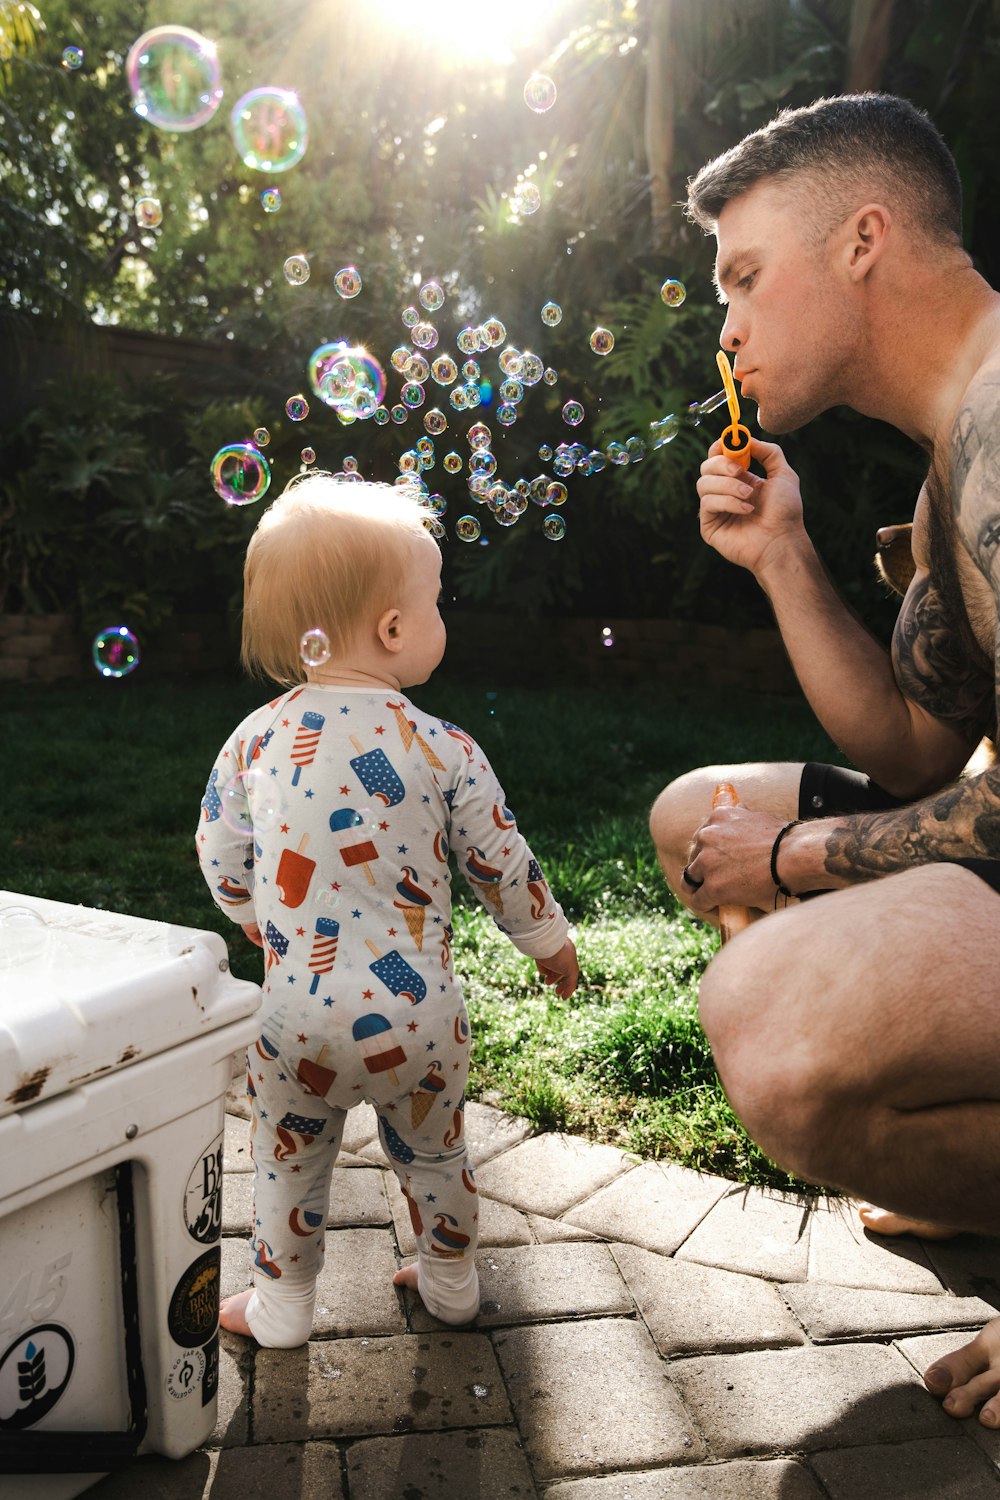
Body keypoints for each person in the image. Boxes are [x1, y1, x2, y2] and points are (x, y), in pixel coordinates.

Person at [648, 92, 1000, 1427]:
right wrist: (783, 558)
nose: (723, 322)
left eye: (744, 276)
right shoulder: (951, 447)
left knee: (778, 1026)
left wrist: (793, 859)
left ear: (864, 238)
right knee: (700, 812)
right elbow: (913, 745)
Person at [197, 473, 578, 1346]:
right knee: (437, 1155)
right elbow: (500, 862)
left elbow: (220, 852)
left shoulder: (254, 738)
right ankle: (449, 1282)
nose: (444, 619)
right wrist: (547, 941)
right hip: (421, 1024)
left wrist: (256, 918)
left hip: (297, 1021)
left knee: (289, 1163)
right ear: (396, 629)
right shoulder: (444, 746)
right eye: (436, 603)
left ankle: (283, 1306)